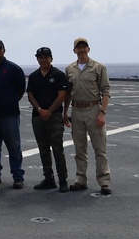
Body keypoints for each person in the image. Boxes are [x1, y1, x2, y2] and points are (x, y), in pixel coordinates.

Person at [66, 37, 112, 195]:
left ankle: (104, 182)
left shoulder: (99, 67)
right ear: (74, 51)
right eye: (78, 48)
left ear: (88, 49)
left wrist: (102, 113)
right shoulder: (69, 69)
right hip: (77, 109)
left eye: (84, 47)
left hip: (94, 109)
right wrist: (65, 113)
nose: (81, 50)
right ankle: (81, 179)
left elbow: (105, 91)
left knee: (100, 148)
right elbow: (67, 93)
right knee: (80, 149)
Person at [27, 47, 70, 192]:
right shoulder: (34, 76)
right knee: (43, 149)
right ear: (37, 59)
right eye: (40, 57)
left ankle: (63, 180)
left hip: (55, 117)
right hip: (37, 116)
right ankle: (48, 178)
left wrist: (49, 111)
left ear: (51, 58)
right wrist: (40, 110)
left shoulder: (58, 75)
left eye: (46, 57)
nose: (43, 60)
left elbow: (62, 95)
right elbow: (30, 95)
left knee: (58, 149)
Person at [0, 39, 27, 189]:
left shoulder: (13, 68)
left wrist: (10, 102)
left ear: (4, 50)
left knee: (14, 146)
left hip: (9, 115)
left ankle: (18, 176)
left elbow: (20, 88)